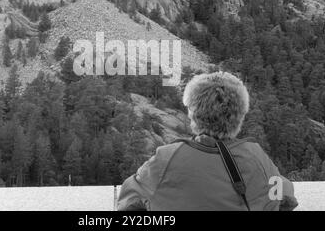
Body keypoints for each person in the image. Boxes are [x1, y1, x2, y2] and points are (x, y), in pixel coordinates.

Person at [117, 71, 298, 211]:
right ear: (240, 115)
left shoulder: (167, 159)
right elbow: (287, 197)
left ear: (192, 113)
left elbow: (128, 201)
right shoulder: (256, 157)